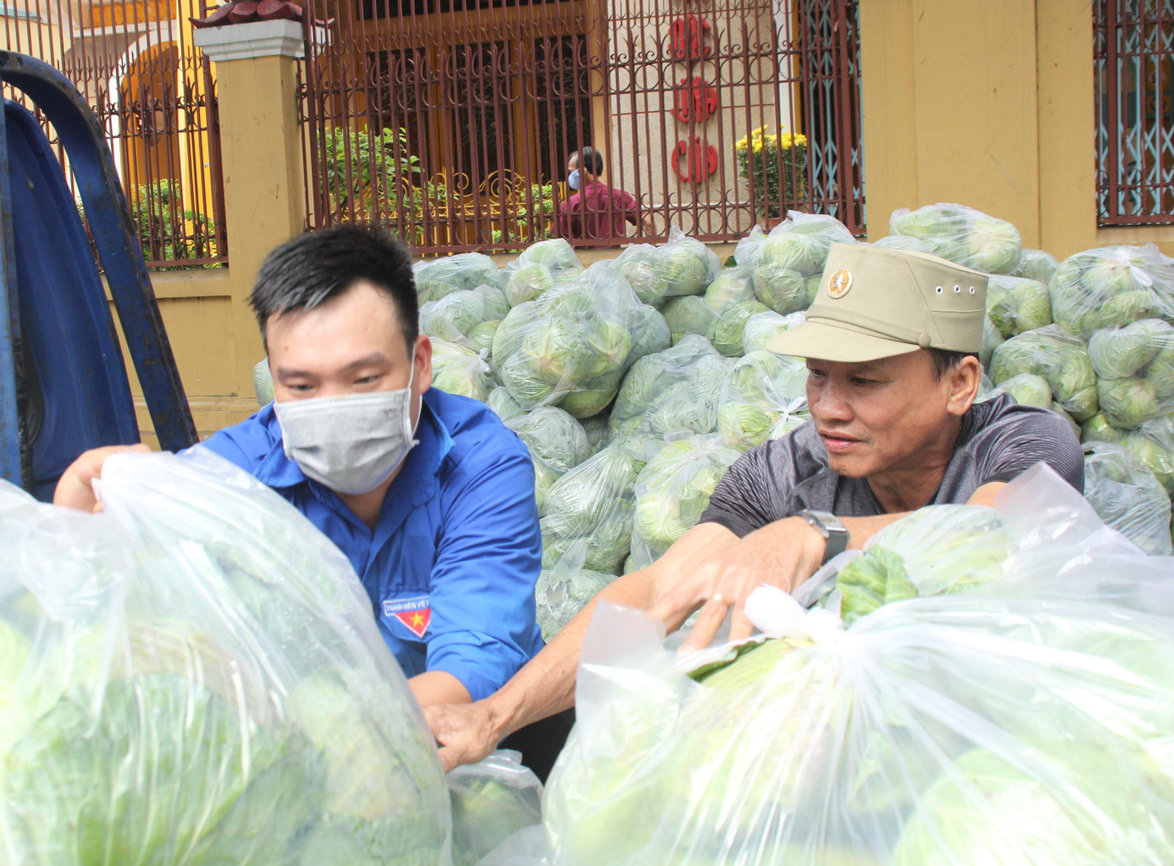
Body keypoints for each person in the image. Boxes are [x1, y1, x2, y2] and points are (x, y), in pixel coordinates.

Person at [425, 242, 1085, 770]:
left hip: (1008, 748)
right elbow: (656, 591)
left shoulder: (1022, 441)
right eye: (818, 375)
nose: (828, 406)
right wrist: (494, 715)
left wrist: (813, 534)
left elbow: (994, 534)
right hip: (855, 759)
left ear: (960, 382)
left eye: (864, 380)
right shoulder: (783, 469)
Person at [55, 224, 545, 713]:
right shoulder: (233, 474)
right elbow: (124, 620)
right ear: (274, 380)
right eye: (302, 388)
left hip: (470, 750)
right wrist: (82, 530)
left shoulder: (480, 464)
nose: (333, 409)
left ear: (419, 364)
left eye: (364, 378)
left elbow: (474, 665)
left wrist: (325, 733)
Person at [552, 146, 642, 241]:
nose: (570, 176)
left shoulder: (572, 202)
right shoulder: (620, 196)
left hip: (585, 254)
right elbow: (647, 220)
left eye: (571, 171)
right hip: (615, 254)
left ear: (583, 171)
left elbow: (560, 237)